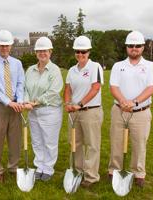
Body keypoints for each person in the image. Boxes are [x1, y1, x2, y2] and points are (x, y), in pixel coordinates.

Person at [108, 31, 153, 188]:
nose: (134, 48)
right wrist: (124, 101)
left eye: (137, 46)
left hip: (141, 112)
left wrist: (135, 102)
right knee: (116, 142)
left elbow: (152, 87)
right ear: (126, 47)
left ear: (143, 47)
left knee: (139, 144)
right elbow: (113, 87)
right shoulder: (118, 66)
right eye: (131, 46)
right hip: (119, 110)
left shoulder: (151, 66)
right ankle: (114, 171)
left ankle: (138, 173)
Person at [0, 29, 25, 183]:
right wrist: (8, 102)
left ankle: (13, 168)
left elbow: (21, 83)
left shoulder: (17, 63)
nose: (4, 48)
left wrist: (19, 100)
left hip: (16, 105)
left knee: (15, 139)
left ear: (11, 46)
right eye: (1, 45)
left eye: (7, 45)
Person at [64, 35, 104, 188]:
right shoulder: (72, 70)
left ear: (89, 52)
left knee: (92, 144)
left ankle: (91, 176)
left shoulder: (96, 67)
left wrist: (79, 104)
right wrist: (68, 103)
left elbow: (95, 88)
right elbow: (68, 88)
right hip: (74, 111)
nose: (80, 54)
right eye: (78, 51)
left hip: (90, 111)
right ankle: (78, 171)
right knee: (75, 142)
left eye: (84, 51)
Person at [23, 37, 63, 181]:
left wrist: (34, 103)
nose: (42, 53)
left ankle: (48, 168)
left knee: (49, 142)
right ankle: (39, 166)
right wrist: (27, 101)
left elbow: (53, 92)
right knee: (37, 141)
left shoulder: (55, 70)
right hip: (33, 111)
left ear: (50, 52)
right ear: (35, 53)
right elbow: (25, 88)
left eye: (44, 50)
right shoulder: (30, 70)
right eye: (39, 51)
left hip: (50, 111)